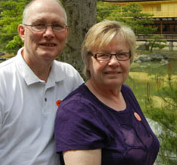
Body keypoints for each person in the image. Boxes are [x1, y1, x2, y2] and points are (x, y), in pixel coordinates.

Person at [0, 0, 84, 165]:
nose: (49, 33)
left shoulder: (70, 78)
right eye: (39, 25)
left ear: (66, 33)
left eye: (57, 26)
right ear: (22, 32)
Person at [55, 20, 160, 165]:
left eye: (121, 54)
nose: (113, 62)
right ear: (88, 61)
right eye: (103, 55)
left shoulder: (125, 92)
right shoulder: (77, 112)